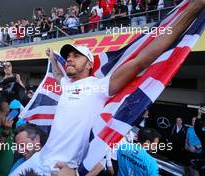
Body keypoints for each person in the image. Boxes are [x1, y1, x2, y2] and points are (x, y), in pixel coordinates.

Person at [11, 0, 205, 174]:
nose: (69, 58)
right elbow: (59, 74)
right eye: (68, 56)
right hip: (38, 160)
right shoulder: (67, 85)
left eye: (76, 56)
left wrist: (194, 8)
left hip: (61, 170)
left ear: (89, 65)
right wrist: (53, 58)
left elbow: (142, 60)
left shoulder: (99, 86)